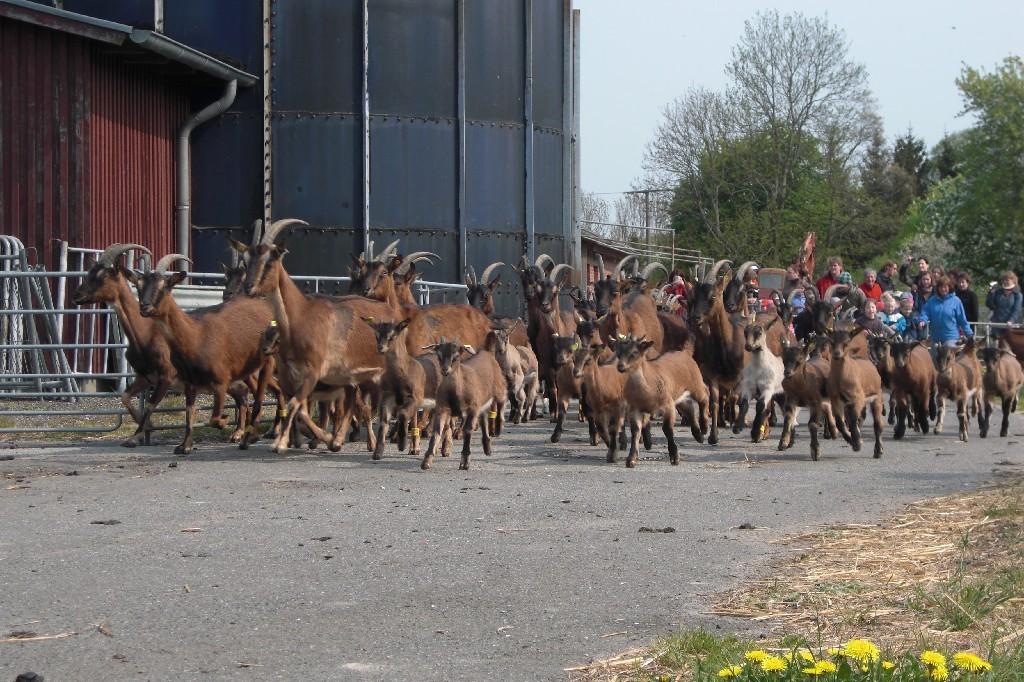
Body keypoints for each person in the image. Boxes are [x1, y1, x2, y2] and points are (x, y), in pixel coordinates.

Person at [918, 276, 973, 347]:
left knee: (948, 354)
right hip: (935, 338)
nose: (943, 289)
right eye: (941, 287)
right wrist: (922, 320)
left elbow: (962, 320)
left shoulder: (956, 301)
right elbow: (925, 312)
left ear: (949, 287)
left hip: (951, 338)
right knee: (931, 356)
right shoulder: (932, 300)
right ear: (937, 288)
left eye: (945, 287)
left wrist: (969, 334)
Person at [986, 271, 1023, 337]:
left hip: (1011, 325)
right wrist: (991, 293)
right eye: (1004, 280)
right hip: (997, 324)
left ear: (1013, 281)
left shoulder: (1017, 295)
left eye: (1007, 280)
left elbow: (1017, 310)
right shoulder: (998, 292)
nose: (1005, 282)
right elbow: (989, 304)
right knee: (995, 345)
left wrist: (1011, 320)